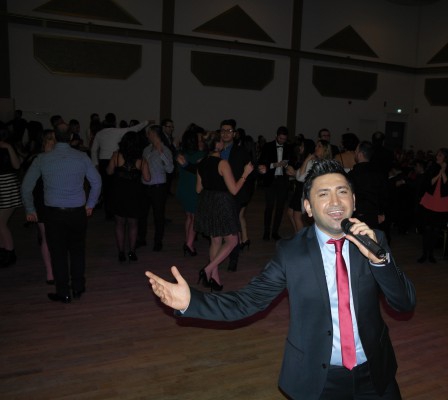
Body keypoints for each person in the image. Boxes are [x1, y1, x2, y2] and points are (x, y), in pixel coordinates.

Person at [145, 159, 416, 399]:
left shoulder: (373, 240)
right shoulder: (292, 253)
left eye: (342, 192)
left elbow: (404, 303)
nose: (335, 202)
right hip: (320, 378)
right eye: (323, 194)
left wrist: (379, 259)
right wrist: (191, 302)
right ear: (308, 207)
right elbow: (248, 301)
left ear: (354, 201)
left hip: (375, 372)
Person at [21, 122, 101, 303]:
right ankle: (78, 287)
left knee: (58, 253)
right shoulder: (81, 157)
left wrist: (30, 209)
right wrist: (90, 204)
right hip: (77, 213)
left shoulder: (42, 159)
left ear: (55, 137)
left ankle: (63, 291)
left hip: (53, 214)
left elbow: (26, 187)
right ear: (71, 137)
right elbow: (97, 182)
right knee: (78, 251)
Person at [194, 131, 253, 291]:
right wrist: (245, 174)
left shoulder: (201, 163)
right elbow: (234, 190)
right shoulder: (223, 164)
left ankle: (215, 280)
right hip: (222, 203)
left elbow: (198, 189)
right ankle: (207, 269)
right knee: (233, 241)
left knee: (215, 241)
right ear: (218, 145)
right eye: (221, 140)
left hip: (207, 202)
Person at [90, 113, 148, 219]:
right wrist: (147, 122)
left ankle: (109, 213)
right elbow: (135, 129)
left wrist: (96, 164)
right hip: (118, 160)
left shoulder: (99, 133)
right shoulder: (118, 131)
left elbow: (93, 150)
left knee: (106, 188)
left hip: (104, 162)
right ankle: (120, 209)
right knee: (117, 186)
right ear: (115, 122)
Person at [106, 131, 151, 263]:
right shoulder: (142, 160)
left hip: (119, 194)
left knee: (119, 224)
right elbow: (147, 178)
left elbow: (109, 172)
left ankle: (121, 252)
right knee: (133, 224)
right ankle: (132, 251)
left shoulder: (116, 156)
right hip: (135, 195)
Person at [22, 129, 56, 282]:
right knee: (47, 237)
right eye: (50, 139)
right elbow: (26, 187)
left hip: (58, 202)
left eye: (54, 138)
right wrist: (30, 208)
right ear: (44, 141)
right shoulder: (37, 159)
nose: (53, 141)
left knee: (56, 237)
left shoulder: (59, 157)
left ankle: (56, 267)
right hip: (42, 202)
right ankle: (50, 272)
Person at [218, 119, 252, 271]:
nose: (226, 133)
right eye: (223, 130)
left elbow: (250, 170)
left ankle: (233, 259)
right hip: (217, 194)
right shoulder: (215, 150)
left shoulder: (241, 151)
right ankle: (217, 257)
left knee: (233, 228)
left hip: (234, 194)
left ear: (234, 133)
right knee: (218, 228)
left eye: (229, 131)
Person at [137, 125, 174, 252]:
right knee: (142, 214)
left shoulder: (165, 150)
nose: (147, 136)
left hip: (158, 188)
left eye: (149, 133)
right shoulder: (146, 149)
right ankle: (141, 238)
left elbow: (170, 169)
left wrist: (161, 153)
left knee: (158, 216)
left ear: (154, 134)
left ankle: (158, 241)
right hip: (145, 186)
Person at [417, 148, 448, 263]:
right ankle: (424, 254)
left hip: (442, 204)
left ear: (446, 158)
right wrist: (439, 172)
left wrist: (443, 172)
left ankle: (431, 254)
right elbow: (428, 183)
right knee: (427, 228)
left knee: (436, 230)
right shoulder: (433, 167)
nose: (437, 157)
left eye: (440, 155)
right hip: (430, 201)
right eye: (437, 155)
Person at [175, 124, 206, 257]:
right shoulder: (201, 155)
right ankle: (189, 244)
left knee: (189, 216)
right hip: (194, 189)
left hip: (182, 188)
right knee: (195, 218)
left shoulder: (180, 154)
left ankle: (188, 240)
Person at [258, 126, 293, 241]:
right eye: (280, 138)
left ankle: (275, 232)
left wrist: (286, 164)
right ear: (276, 136)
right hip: (270, 179)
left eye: (284, 139)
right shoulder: (268, 146)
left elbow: (293, 162)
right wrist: (274, 165)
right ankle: (266, 231)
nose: (282, 141)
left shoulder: (289, 147)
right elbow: (261, 162)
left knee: (280, 207)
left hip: (283, 180)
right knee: (269, 207)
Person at [348, 141, 389, 233]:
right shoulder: (379, 174)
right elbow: (384, 194)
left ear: (360, 154)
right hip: (374, 216)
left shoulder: (352, 175)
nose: (354, 153)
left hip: (356, 216)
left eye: (356, 151)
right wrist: (381, 212)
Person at [0, 123, 22, 267]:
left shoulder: (7, 146)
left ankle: (9, 252)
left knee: (1, 223)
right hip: (4, 185)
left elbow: (17, 166)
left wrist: (8, 147)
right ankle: (4, 251)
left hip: (7, 186)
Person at [287, 138, 316, 232]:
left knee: (296, 216)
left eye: (302, 146)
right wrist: (293, 172)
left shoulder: (310, 161)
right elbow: (300, 174)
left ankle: (301, 238)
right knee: (290, 212)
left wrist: (294, 173)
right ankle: (298, 235)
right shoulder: (305, 160)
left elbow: (301, 177)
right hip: (299, 189)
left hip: (302, 190)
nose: (300, 147)